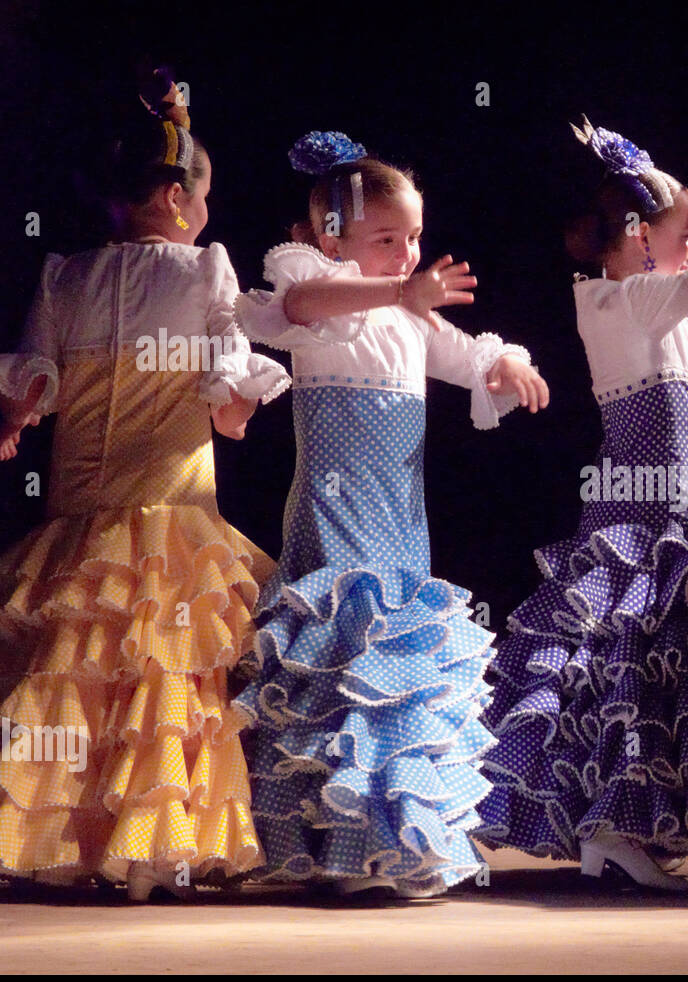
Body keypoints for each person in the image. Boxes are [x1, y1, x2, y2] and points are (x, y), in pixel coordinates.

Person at [0, 70, 288, 901]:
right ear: (176, 195)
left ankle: (65, 837)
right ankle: (162, 837)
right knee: (164, 675)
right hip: (165, 513)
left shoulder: (65, 275)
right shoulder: (202, 270)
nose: (208, 212)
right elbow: (228, 371)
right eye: (206, 194)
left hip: (85, 510)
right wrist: (233, 411)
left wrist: (16, 419)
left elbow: (32, 376)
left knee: (73, 672)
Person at [234, 131, 549, 899]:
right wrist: (396, 293)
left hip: (400, 517)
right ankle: (321, 838)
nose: (408, 254)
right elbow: (299, 306)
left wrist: (506, 363)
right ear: (333, 236)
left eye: (413, 238)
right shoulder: (315, 288)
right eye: (387, 239)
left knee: (393, 665)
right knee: (340, 648)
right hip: (334, 510)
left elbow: (464, 353)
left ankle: (385, 842)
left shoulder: (410, 313)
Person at [473, 120, 688, 889]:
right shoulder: (625, 302)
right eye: (684, 234)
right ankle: (610, 826)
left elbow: (677, 254)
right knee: (624, 664)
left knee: (644, 672)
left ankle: (621, 829)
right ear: (637, 239)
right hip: (641, 517)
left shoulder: (631, 292)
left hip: (668, 510)